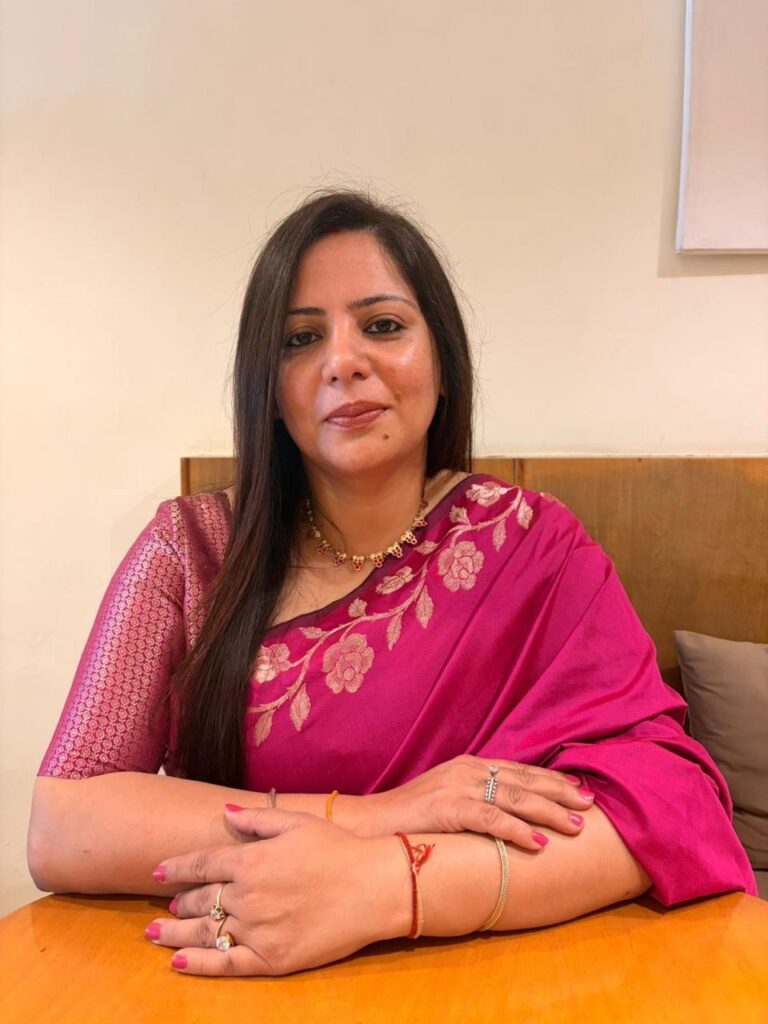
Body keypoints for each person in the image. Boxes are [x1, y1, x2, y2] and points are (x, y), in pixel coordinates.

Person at [28, 190, 757, 977]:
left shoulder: (529, 546)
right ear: (269, 392)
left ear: (442, 365)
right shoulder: (191, 550)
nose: (343, 361)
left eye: (382, 326)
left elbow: (673, 804)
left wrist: (390, 886)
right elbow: (65, 824)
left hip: (487, 978)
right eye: (301, 339)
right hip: (239, 978)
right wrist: (379, 816)